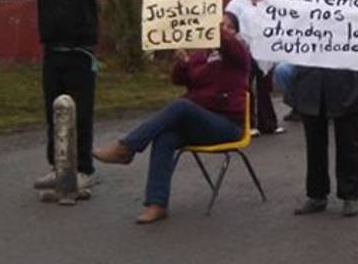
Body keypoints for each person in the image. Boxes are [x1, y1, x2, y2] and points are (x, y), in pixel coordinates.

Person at [92, 12, 249, 224]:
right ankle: (157, 204)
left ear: (234, 32)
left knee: (182, 106)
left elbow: (227, 44)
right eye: (218, 25)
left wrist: (208, 19)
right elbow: (179, 80)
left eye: (226, 26)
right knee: (165, 136)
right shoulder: (202, 55)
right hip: (199, 122)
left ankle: (126, 148)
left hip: (227, 124)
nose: (220, 29)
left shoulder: (239, 52)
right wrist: (183, 62)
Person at [1, 0, 113, 194]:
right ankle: (58, 166)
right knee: (54, 111)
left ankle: (83, 169)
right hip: (52, 51)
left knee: (81, 112)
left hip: (81, 52)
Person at [290, 0, 358, 218]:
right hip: (312, 83)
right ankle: (316, 194)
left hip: (346, 84)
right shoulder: (303, 3)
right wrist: (263, 2)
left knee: (347, 142)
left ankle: (349, 195)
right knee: (314, 143)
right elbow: (281, 21)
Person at [224, 0, 282, 137]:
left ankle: (268, 124)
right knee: (246, 87)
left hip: (265, 49)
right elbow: (230, 22)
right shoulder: (237, 3)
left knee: (265, 87)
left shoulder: (268, 0)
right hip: (245, 49)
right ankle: (248, 123)